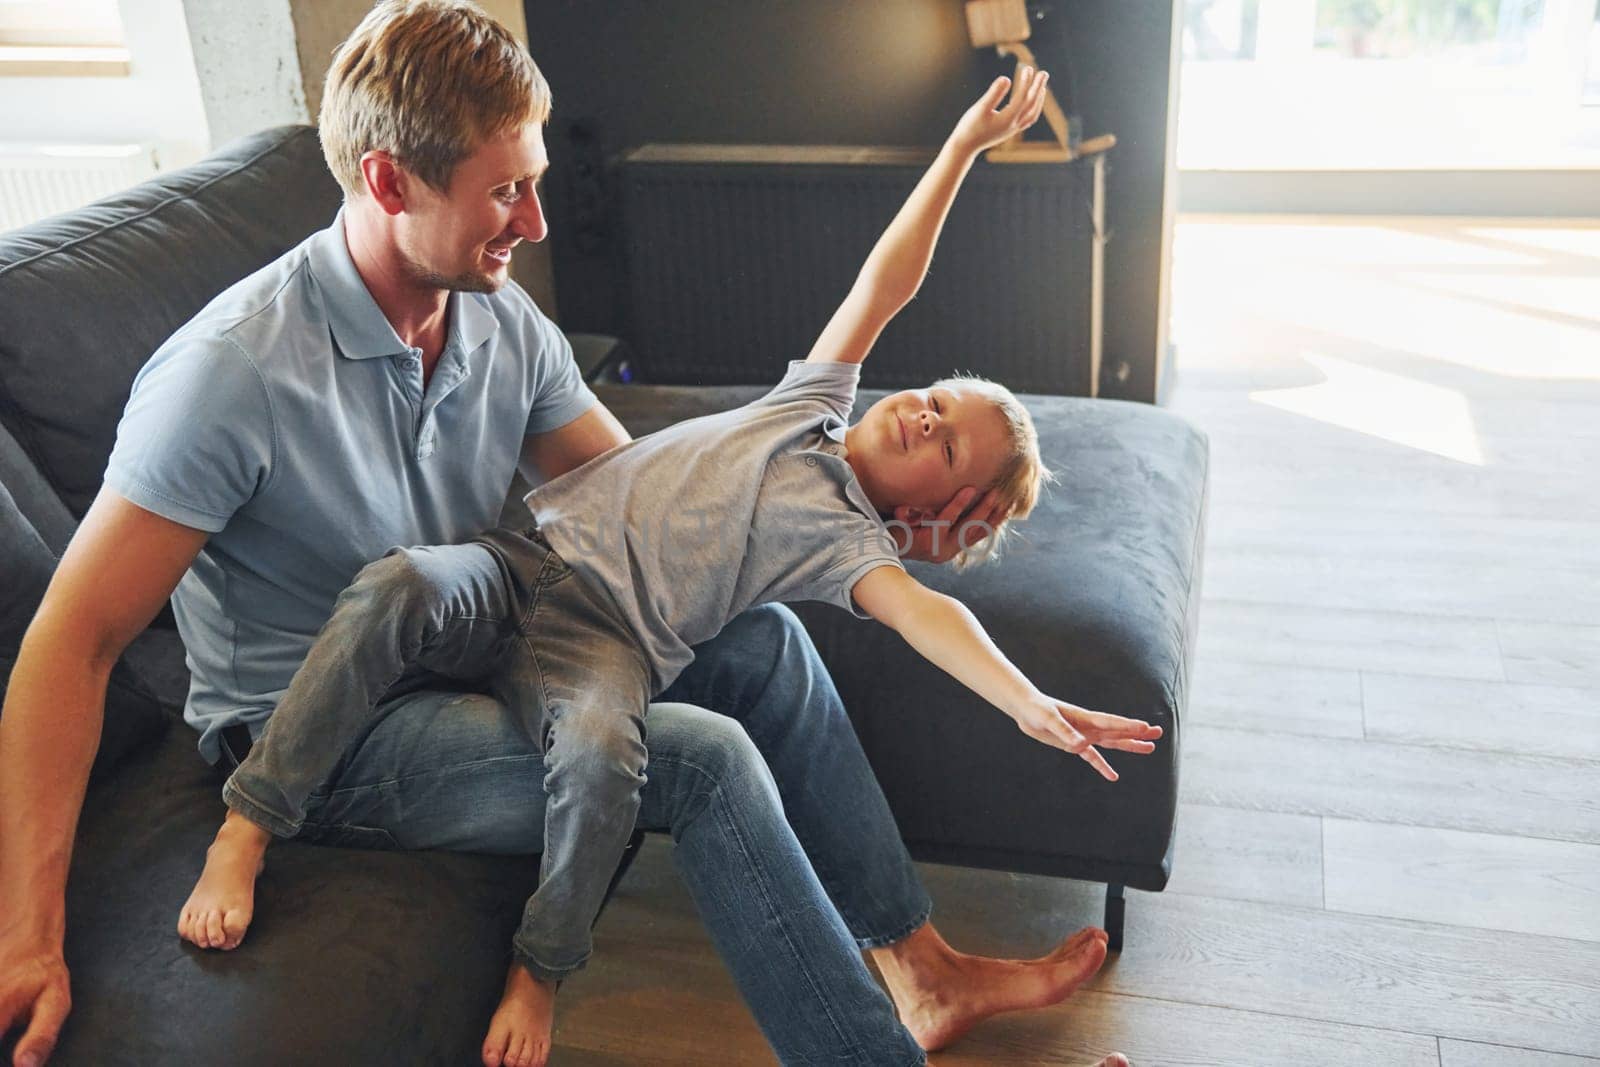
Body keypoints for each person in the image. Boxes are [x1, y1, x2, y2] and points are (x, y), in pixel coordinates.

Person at [0, 3, 1132, 1066]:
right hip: (330, 729)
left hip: (483, 635)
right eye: (506, 195)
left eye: (534, 184)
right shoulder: (227, 374)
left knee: (772, 643)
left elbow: (639, 499)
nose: (536, 224)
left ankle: (920, 967)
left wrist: (868, 521)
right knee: (701, 759)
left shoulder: (496, 315)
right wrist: (27, 931)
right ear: (389, 180)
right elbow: (76, 639)